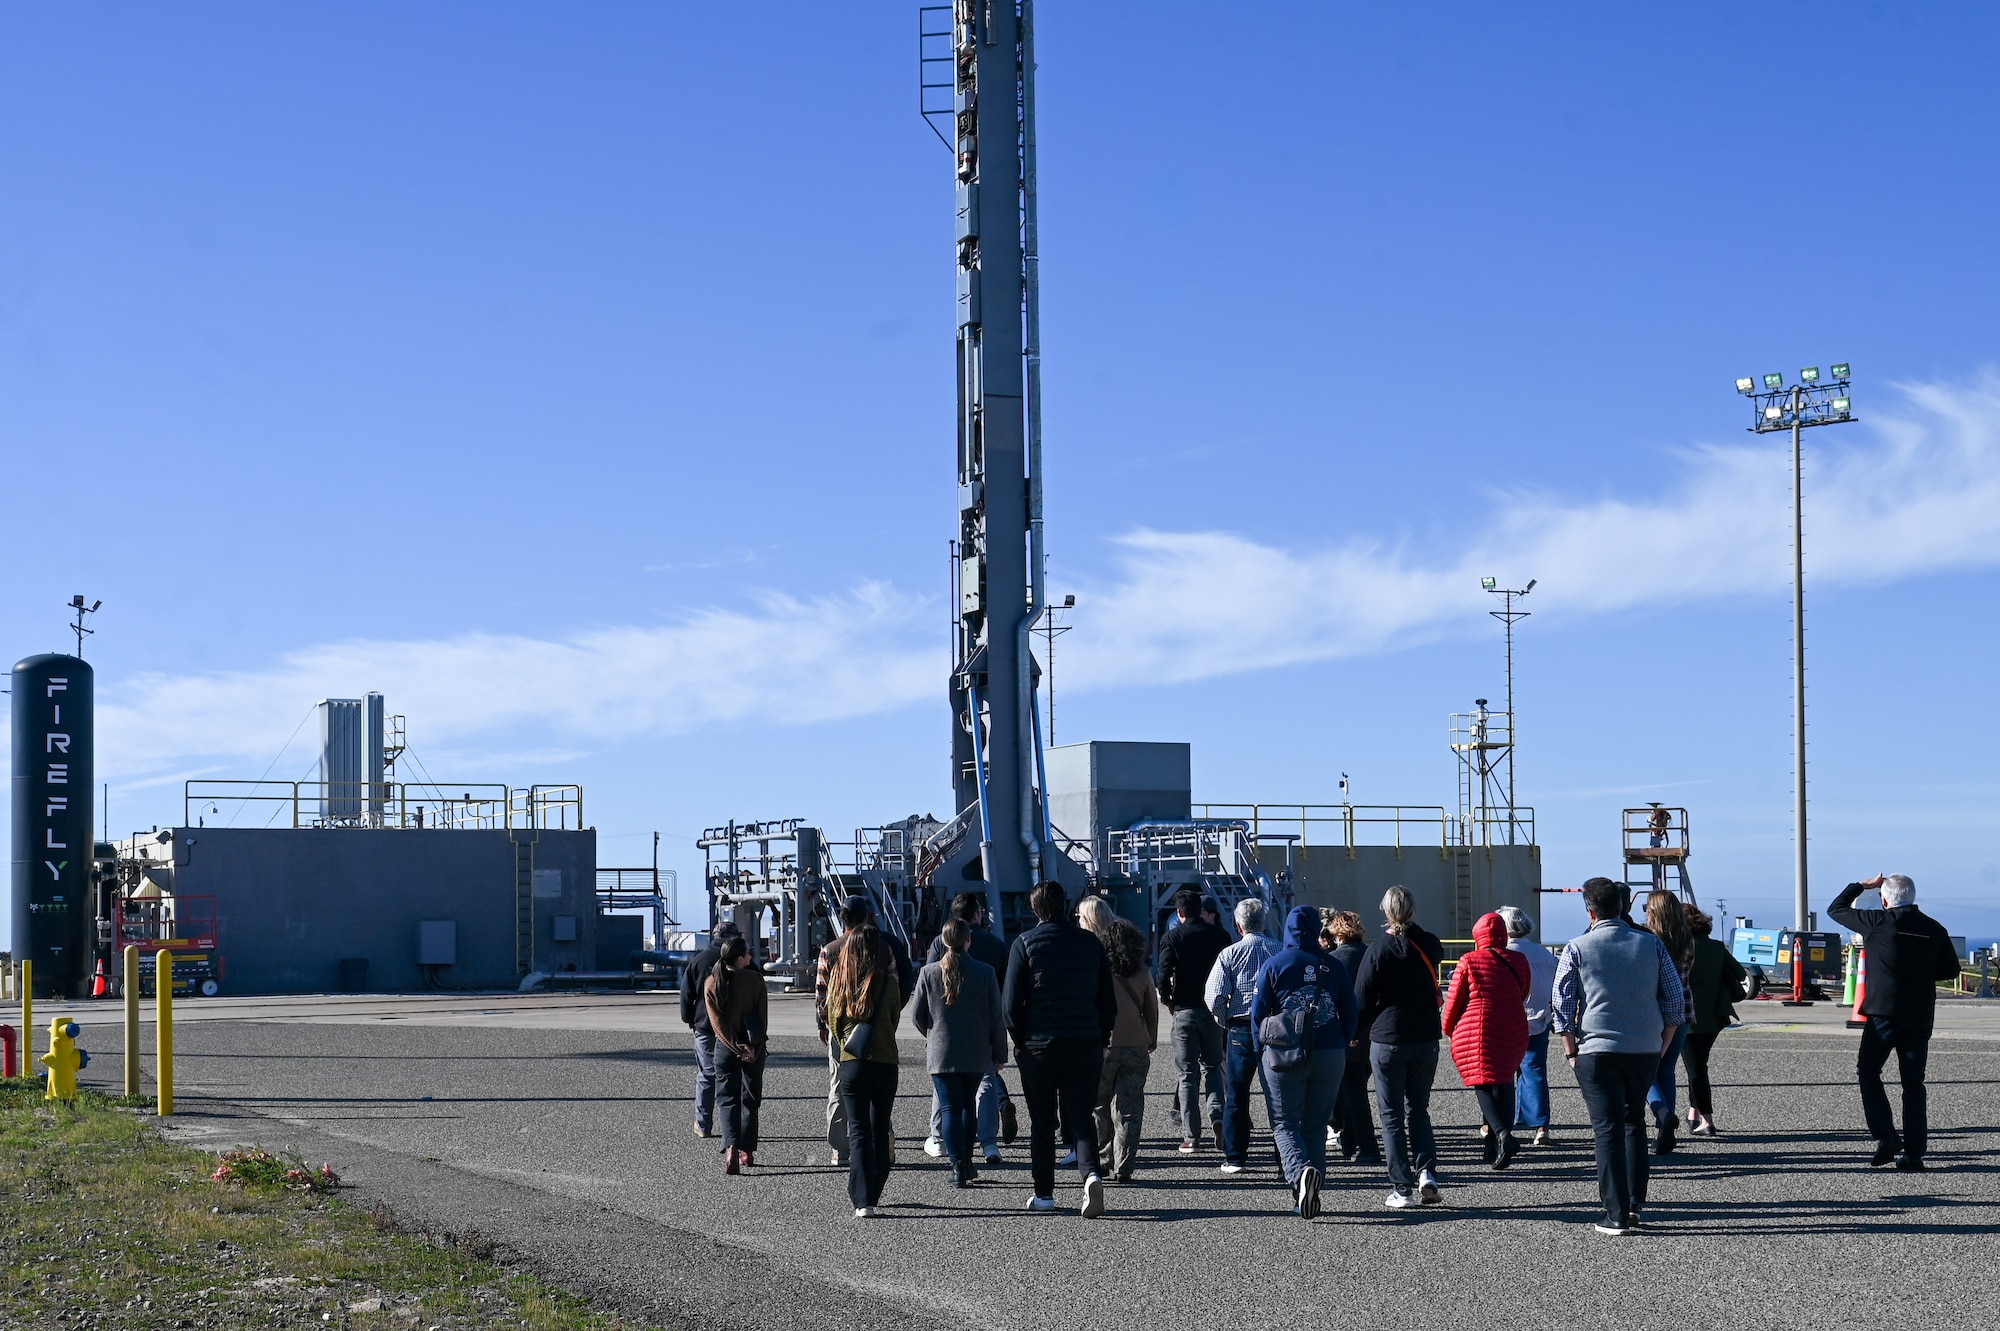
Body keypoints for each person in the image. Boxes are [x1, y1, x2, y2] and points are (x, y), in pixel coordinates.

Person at [1552, 877, 1685, 1235]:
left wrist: (1570, 1052)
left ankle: (1615, 1212)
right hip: (1643, 1048)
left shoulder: (1577, 947)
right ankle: (1635, 1204)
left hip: (1596, 1048)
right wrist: (1661, 1043)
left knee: (1606, 1130)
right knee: (1633, 1124)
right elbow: (1674, 1001)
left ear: (1590, 910)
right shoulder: (1651, 944)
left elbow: (1562, 1006)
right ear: (1624, 906)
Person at [1828, 873, 1961, 1170]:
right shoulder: (1934, 928)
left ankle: (1886, 1134)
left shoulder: (1877, 922)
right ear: (1913, 897)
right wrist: (1920, 973)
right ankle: (1914, 1154)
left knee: (1868, 1070)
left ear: (1885, 899)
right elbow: (1951, 970)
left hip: (1883, 1013)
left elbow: (1836, 909)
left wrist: (1861, 886)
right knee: (1913, 1083)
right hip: (1919, 1014)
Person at [1003, 880, 1117, 1217]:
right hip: (1083, 1042)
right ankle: (1091, 1174)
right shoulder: (1089, 944)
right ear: (1066, 904)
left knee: (1041, 1122)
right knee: (1080, 1114)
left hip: (1039, 1045)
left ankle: (1044, 1194)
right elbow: (1107, 1000)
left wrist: (1020, 1041)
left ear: (1035, 909)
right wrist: (1101, 1035)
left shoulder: (1024, 944)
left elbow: (1010, 1005)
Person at [1251, 905, 1357, 1218]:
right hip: (1329, 1052)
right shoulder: (1333, 965)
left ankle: (1300, 1175)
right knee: (1315, 1125)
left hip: (1285, 1054)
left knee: (1284, 1124)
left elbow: (1258, 1015)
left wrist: (1261, 1051)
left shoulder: (1274, 965)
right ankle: (1307, 1196)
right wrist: (1340, 1040)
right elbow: (1350, 1011)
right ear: (1316, 930)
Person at [1353, 885, 1446, 1210]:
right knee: (1417, 1109)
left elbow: (1362, 998)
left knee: (1391, 1115)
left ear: (1386, 911)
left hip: (1388, 1039)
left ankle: (1402, 1187)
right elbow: (1430, 955)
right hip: (1425, 1039)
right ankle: (1427, 1174)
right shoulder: (1430, 944)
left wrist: (1353, 1032)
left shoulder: (1379, 950)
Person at [816, 896, 915, 1167]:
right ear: (868, 916)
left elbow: (822, 994)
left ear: (843, 918)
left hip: (842, 1031)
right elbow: (896, 987)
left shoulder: (830, 949)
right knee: (880, 1089)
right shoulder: (883, 949)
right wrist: (888, 1022)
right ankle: (885, 1143)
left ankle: (840, 1148)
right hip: (878, 1027)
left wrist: (824, 1026)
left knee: (839, 1087)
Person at [911, 919, 1008, 1187]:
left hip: (942, 1051)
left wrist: (932, 1035)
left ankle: (956, 1165)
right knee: (968, 1107)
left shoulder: (928, 973)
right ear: (969, 941)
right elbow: (996, 1018)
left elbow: (917, 1015)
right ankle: (967, 1161)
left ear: (942, 941)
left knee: (949, 1107)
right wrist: (999, 1052)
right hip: (976, 1051)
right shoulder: (985, 972)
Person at [924, 892, 1017, 1164]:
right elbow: (1004, 991)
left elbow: (924, 997)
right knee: (985, 1084)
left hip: (945, 1029)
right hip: (982, 1026)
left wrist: (932, 1030)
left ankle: (941, 1140)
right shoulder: (995, 947)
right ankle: (989, 1143)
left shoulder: (937, 947)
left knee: (946, 1094)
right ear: (976, 915)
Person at [825, 910, 905, 1217]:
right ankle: (874, 1190)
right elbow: (894, 1019)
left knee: (857, 1131)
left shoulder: (840, 982)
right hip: (885, 1061)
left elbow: (833, 1021)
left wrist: (849, 1041)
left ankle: (862, 1200)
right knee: (879, 1127)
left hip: (852, 1061)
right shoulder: (889, 983)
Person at [1442, 911, 1531, 1170]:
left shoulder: (1469, 960)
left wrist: (1448, 1028)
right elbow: (1523, 992)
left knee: (1482, 1083)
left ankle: (1504, 1135)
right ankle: (1491, 1146)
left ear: (1478, 935)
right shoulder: (1519, 960)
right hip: (1513, 1024)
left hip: (1478, 1028)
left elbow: (1455, 1001)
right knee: (1503, 1082)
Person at [1079, 897, 1159, 1181]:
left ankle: (1101, 1158)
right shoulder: (1141, 970)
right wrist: (1150, 1037)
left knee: (1098, 1105)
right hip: (1136, 1044)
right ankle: (1124, 1165)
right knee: (1129, 1108)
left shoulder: (1093, 965)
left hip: (1102, 1043)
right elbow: (1151, 1008)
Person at [1205, 897, 1281, 1174]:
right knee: (1277, 1093)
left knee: (1236, 1094)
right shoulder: (1280, 951)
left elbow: (1214, 996)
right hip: (1274, 1027)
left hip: (1240, 1027)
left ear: (1238, 926)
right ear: (1264, 922)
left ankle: (1235, 1156)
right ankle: (1283, 1154)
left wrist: (1225, 1020)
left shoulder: (1229, 954)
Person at [1155, 888, 1230, 1153]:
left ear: (1179, 913)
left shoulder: (1172, 937)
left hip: (1185, 1010)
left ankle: (1191, 1136)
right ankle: (1218, 1117)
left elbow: (1162, 976)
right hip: (1212, 1011)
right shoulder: (1220, 936)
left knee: (1187, 1074)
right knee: (1212, 1067)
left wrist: (1169, 1000)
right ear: (1201, 910)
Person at [703, 933, 767, 1174]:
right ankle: (747, 1151)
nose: (751, 955)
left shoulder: (711, 982)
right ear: (740, 958)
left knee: (727, 1100)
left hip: (725, 1049)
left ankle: (730, 1147)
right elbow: (762, 1019)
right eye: (748, 952)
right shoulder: (755, 980)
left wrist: (735, 1047)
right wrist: (752, 1048)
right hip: (754, 1047)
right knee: (750, 1099)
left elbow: (717, 1024)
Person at [1680, 907, 1747, 1136]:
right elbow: (1740, 973)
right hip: (1714, 1015)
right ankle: (1693, 1113)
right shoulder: (1717, 947)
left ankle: (1707, 1120)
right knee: (1698, 1065)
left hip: (1686, 1016)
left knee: (1696, 1069)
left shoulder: (1680, 949)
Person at [1323, 911, 1380, 1164]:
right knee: (1354, 1087)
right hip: (1375, 1031)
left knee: (1352, 1089)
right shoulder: (1373, 955)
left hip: (1346, 1032)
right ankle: (1349, 1140)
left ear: (1337, 934)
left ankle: (1367, 1145)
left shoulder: (1333, 961)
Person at [1497, 906, 1557, 1147]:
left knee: (1502, 1074)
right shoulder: (1543, 954)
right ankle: (1540, 1125)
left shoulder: (1501, 954)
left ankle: (1501, 1122)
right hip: (1539, 1020)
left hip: (1508, 1022)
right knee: (1535, 1072)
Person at [1643, 890, 1696, 1155]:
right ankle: (1668, 1128)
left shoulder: (1650, 941)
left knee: (1644, 1071)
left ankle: (1662, 1114)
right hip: (1684, 1010)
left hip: (1654, 1013)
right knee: (1667, 1071)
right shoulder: (1688, 939)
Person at [679, 920, 742, 1140]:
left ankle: (703, 1124)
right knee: (735, 1076)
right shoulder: (741, 959)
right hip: (735, 1026)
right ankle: (735, 1128)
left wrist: (690, 1020)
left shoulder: (699, 960)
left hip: (705, 1025)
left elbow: (686, 994)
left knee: (707, 1075)